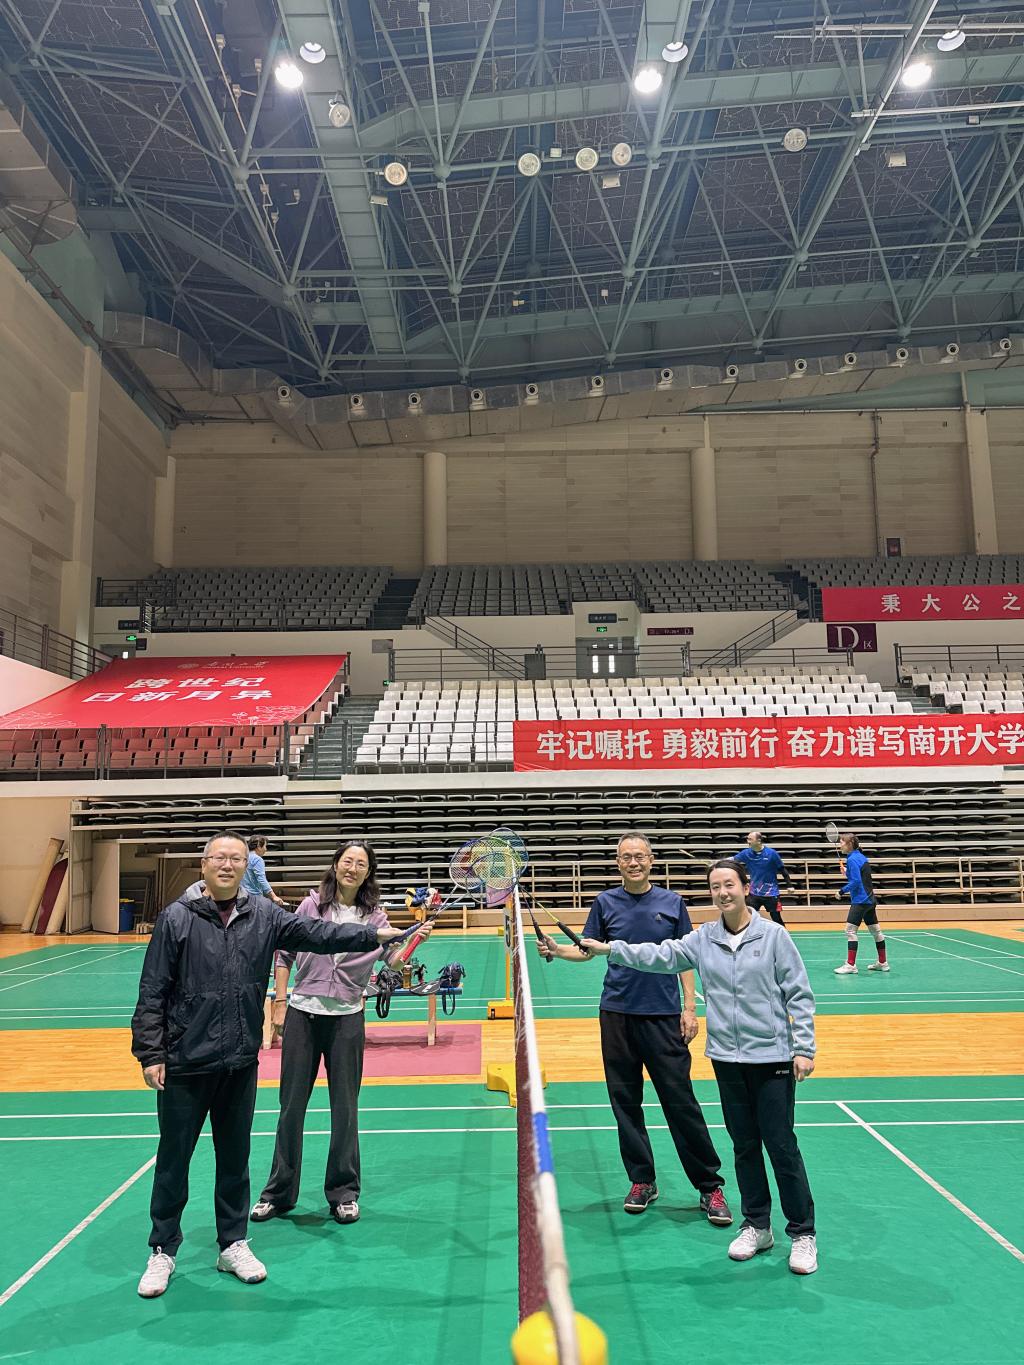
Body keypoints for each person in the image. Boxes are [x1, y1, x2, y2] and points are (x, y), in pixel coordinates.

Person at [130, 831, 406, 1299]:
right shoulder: (176, 918)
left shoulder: (263, 914)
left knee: (234, 1161)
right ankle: (163, 1249)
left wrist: (371, 934)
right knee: (174, 1162)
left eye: (236, 859)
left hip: (239, 1059)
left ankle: (232, 1243)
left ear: (246, 867)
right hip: (186, 1060)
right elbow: (152, 988)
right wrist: (151, 1052)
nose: (227, 865)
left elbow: (318, 935)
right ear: (204, 863)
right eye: (219, 857)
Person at [572, 857, 819, 1275]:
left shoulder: (774, 936)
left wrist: (804, 1048)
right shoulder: (704, 939)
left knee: (780, 1146)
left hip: (771, 1057)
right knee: (744, 1146)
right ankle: (757, 1225)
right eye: (715, 887)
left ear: (745, 888)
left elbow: (799, 993)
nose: (723, 893)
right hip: (727, 1058)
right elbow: (659, 954)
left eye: (729, 884)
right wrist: (610, 948)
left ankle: (802, 1233)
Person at [539, 831, 731, 1226]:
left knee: (680, 1102)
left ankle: (709, 1185)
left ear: (651, 860)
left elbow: (686, 957)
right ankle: (642, 1180)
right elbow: (588, 949)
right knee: (625, 1102)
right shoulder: (605, 902)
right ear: (618, 863)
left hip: (663, 1015)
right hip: (617, 1013)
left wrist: (689, 1008)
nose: (633, 862)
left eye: (639, 855)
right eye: (626, 856)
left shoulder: (672, 903)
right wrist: (559, 950)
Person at [252, 841, 426, 1226]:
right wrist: (279, 1001)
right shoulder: (310, 906)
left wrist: (413, 940)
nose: (352, 868)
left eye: (361, 864)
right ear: (335, 865)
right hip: (303, 1014)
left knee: (345, 1109)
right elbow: (284, 954)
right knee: (290, 1107)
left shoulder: (376, 918)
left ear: (368, 873)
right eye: (347, 861)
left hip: (347, 1018)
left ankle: (344, 1192)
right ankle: (278, 1193)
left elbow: (393, 961)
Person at [834, 832, 888, 974]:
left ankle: (850, 965)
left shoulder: (852, 859)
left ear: (850, 844)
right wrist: (847, 872)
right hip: (870, 900)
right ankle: (883, 962)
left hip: (860, 901)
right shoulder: (861, 857)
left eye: (842, 842)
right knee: (876, 931)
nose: (840, 845)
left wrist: (841, 891)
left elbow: (856, 882)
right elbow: (861, 877)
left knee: (850, 931)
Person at [734, 830, 792, 927]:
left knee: (776, 918)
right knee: (747, 916)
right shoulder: (746, 853)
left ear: (758, 841)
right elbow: (732, 860)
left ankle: (783, 934)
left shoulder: (772, 853)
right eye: (747, 839)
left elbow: (782, 870)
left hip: (771, 893)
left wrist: (789, 885)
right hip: (754, 893)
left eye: (750, 839)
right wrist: (717, 863)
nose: (748, 841)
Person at [242, 834, 287, 906]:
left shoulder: (243, 858)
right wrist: (274, 896)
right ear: (259, 846)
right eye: (265, 846)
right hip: (254, 899)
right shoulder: (257, 859)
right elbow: (261, 879)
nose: (266, 849)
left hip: (242, 897)